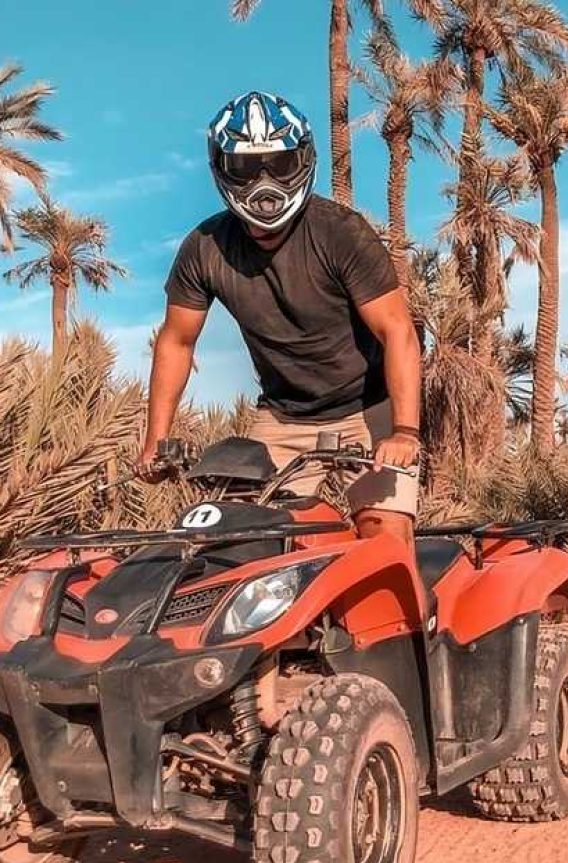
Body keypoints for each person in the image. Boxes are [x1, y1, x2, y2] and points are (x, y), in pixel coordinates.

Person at [139, 91, 422, 542]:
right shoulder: (205, 248)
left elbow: (397, 331)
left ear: (304, 160)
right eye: (246, 168)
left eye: (280, 163)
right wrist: (157, 440)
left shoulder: (341, 233)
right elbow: (177, 341)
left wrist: (404, 431)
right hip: (282, 418)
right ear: (221, 169)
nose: (264, 182)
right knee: (247, 544)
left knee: (385, 542)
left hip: (369, 411)